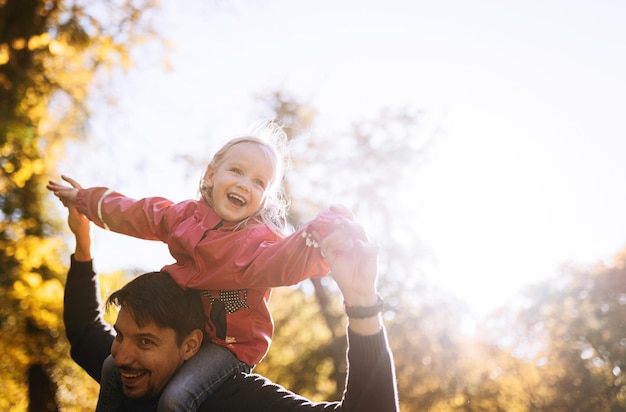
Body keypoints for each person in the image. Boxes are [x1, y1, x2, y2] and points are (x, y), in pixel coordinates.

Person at [48, 126, 357, 410]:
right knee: (110, 367)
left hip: (229, 348)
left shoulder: (252, 248)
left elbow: (286, 259)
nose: (244, 184)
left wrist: (323, 232)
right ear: (211, 174)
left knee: (176, 398)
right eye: (236, 171)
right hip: (187, 330)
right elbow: (137, 213)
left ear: (264, 199)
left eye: (259, 182)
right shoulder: (185, 218)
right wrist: (85, 201)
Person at [63, 198, 399, 411]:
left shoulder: (231, 397)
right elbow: (83, 328)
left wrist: (361, 302)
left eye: (145, 342)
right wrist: (82, 245)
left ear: (191, 344)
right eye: (120, 335)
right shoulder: (122, 374)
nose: (121, 355)